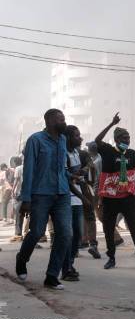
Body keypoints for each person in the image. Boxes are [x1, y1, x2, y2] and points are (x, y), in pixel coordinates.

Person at [15, 109, 73, 290]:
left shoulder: (63, 140)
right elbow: (29, 170)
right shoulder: (35, 140)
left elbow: (61, 168)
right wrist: (26, 198)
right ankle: (22, 259)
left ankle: (51, 276)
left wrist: (71, 176)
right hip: (41, 194)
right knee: (37, 232)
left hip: (62, 194)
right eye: (60, 119)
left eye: (64, 119)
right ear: (48, 121)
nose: (63, 122)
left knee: (65, 234)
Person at [95, 113, 135, 270]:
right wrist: (111, 123)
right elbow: (97, 140)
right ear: (116, 140)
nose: (127, 141)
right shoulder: (108, 151)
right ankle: (111, 257)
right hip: (109, 198)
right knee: (108, 229)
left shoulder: (132, 154)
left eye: (128, 138)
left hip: (127, 198)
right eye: (124, 139)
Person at [61, 125, 89, 282]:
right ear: (69, 138)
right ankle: (65, 269)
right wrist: (82, 196)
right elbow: (67, 178)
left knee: (77, 234)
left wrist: (81, 173)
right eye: (77, 136)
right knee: (68, 235)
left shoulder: (76, 153)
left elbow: (75, 176)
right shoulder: (63, 154)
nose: (80, 138)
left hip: (77, 199)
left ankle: (69, 264)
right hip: (66, 198)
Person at [10, 156, 24, 242]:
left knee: (19, 215)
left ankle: (18, 234)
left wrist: (13, 191)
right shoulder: (27, 166)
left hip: (20, 194)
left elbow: (16, 180)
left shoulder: (18, 168)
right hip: (29, 193)